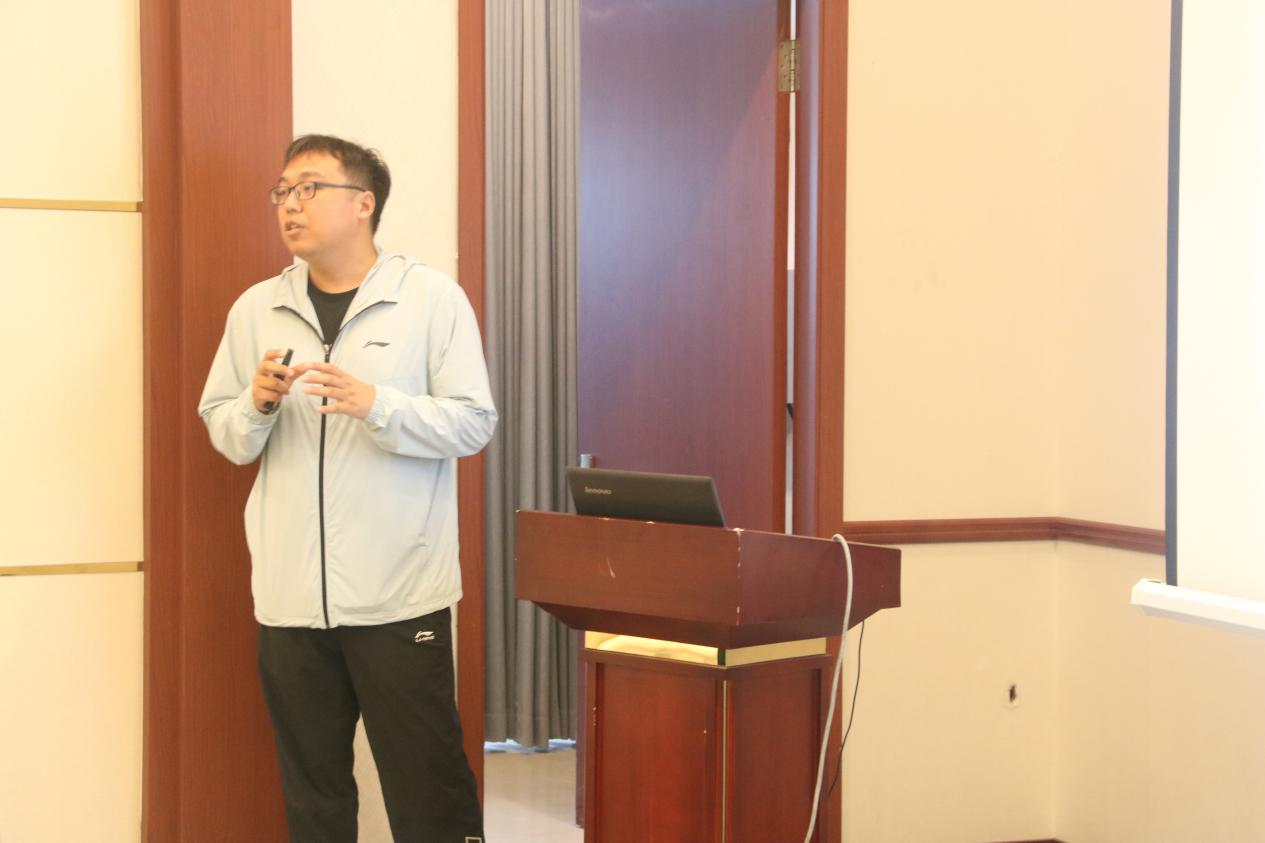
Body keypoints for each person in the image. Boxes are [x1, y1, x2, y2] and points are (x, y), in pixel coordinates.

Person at [198, 134, 495, 843]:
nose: (289, 205)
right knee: (314, 798)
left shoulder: (429, 299)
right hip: (290, 601)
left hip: (398, 595)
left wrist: (378, 404)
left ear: (363, 203)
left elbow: (473, 423)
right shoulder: (257, 309)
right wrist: (257, 404)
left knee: (428, 791)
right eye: (282, 191)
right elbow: (227, 433)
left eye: (308, 188)